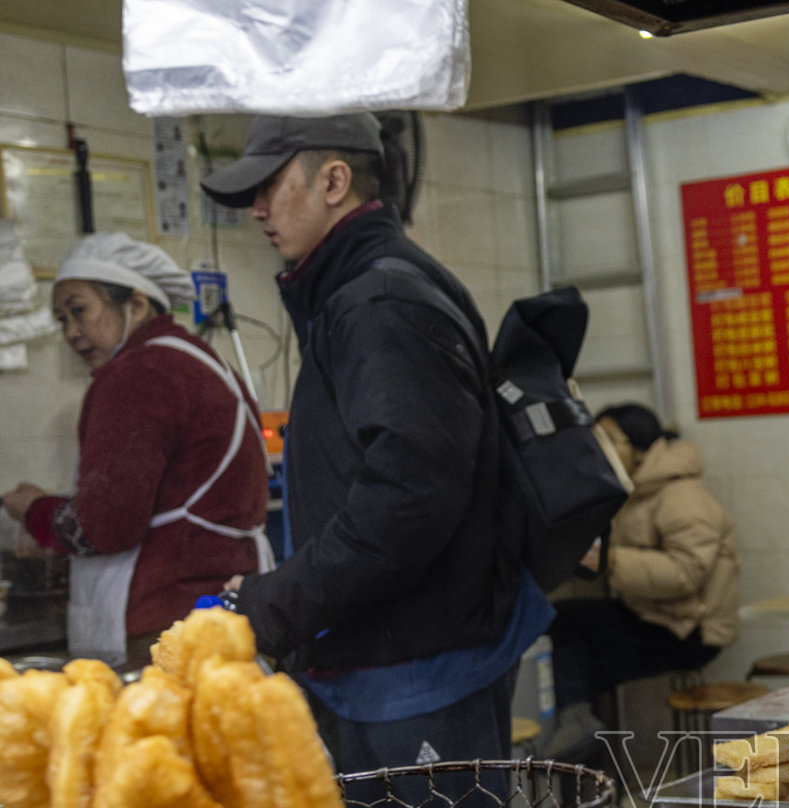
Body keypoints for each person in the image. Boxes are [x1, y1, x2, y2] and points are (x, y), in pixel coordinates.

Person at [198, 114, 548, 771]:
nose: (257, 210)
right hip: (389, 658)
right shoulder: (361, 289)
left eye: (269, 187)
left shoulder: (377, 301)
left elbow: (408, 496)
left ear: (334, 181)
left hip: (416, 670)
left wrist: (277, 603)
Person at [0, 234, 269, 669]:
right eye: (62, 318)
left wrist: (32, 509)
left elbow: (104, 526)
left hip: (168, 621)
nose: (71, 331)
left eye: (80, 310)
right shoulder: (199, 359)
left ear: (137, 305)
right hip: (222, 612)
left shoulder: (138, 371)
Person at [548, 404, 738, 722]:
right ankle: (582, 734)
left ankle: (580, 736)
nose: (599, 448)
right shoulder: (634, 489)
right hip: (652, 614)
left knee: (580, 661)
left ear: (639, 447)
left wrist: (611, 561)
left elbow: (686, 573)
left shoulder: (681, 494)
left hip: (688, 631)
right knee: (561, 622)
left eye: (610, 438)